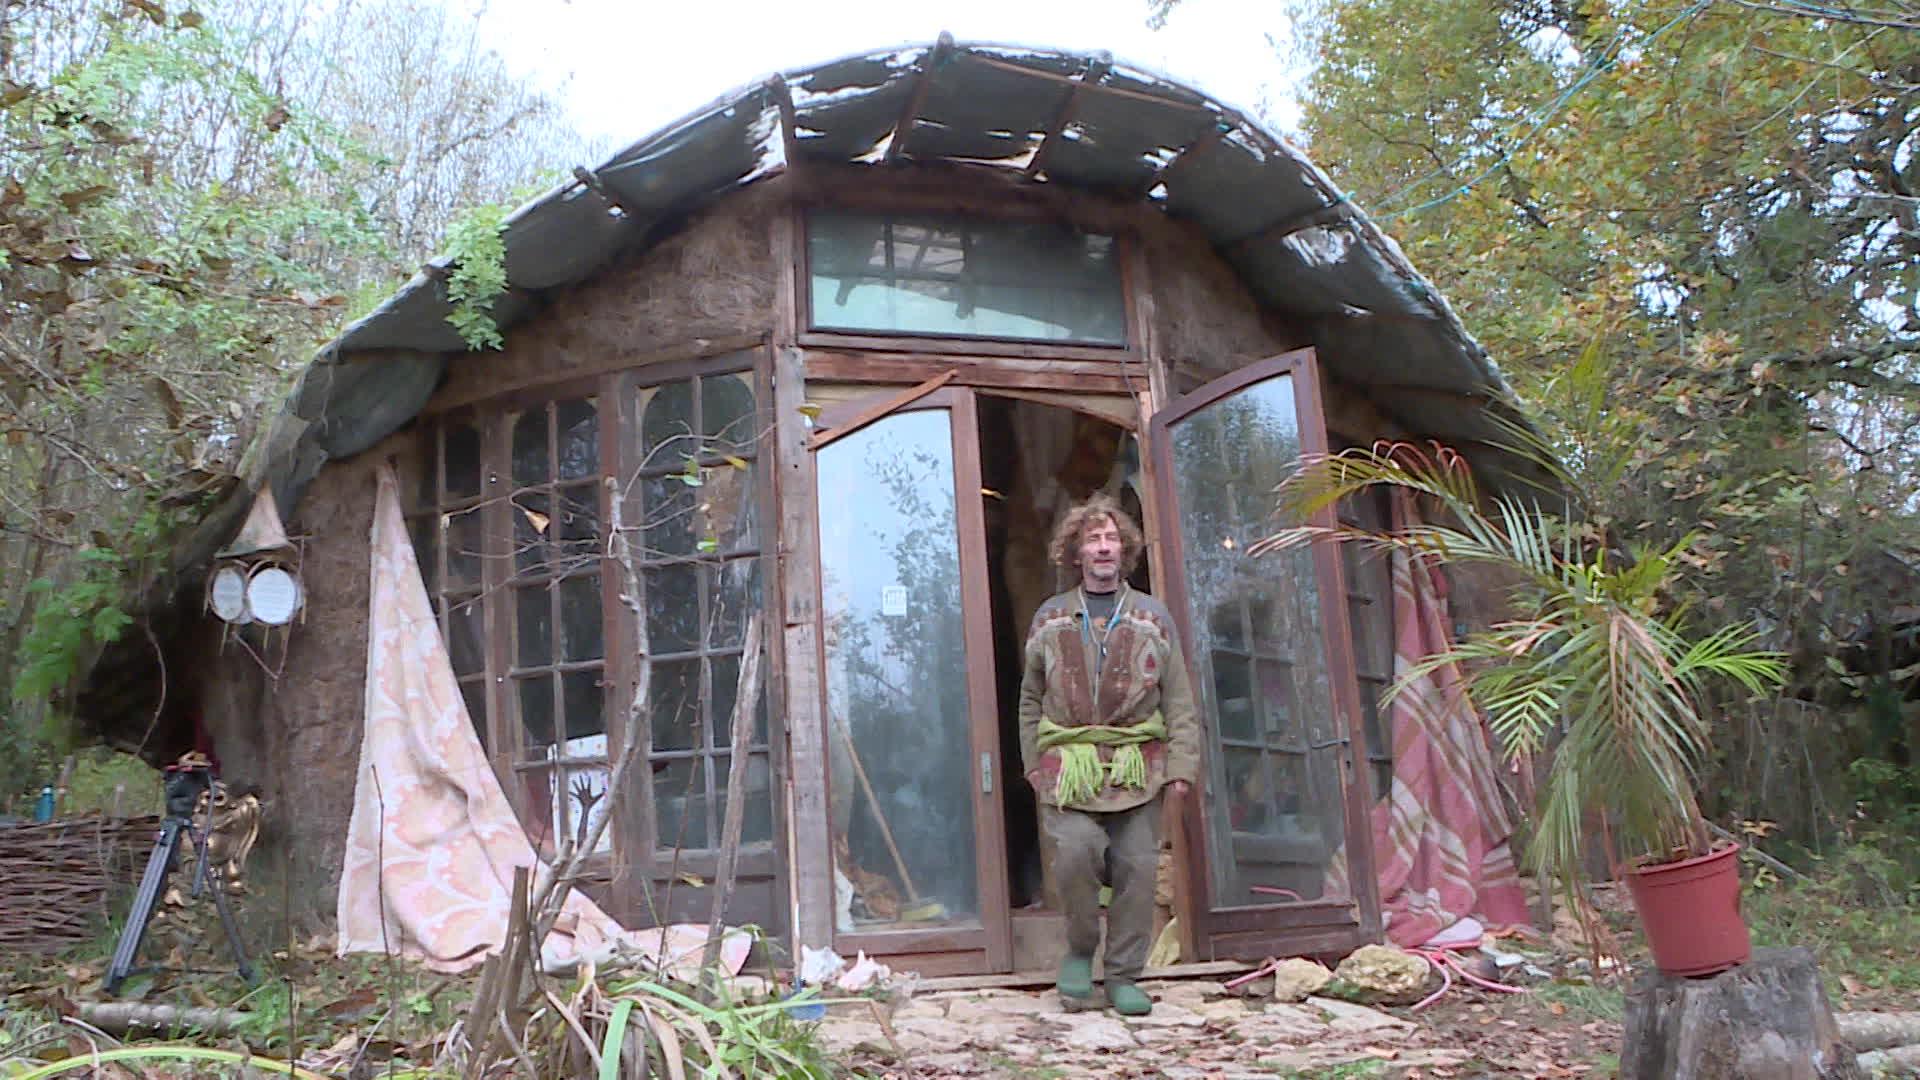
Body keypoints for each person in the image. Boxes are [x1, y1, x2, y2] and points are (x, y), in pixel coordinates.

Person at [1018, 493, 1200, 1017]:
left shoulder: (1152, 615)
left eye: (1111, 539)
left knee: (1137, 870)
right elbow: (1030, 696)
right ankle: (1079, 952)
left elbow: (1178, 696)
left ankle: (1123, 976)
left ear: (1125, 550)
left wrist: (1182, 767)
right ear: (1076, 552)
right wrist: (1033, 762)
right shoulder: (1050, 617)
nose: (1103, 547)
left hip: (1138, 765)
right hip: (1066, 768)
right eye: (1093, 539)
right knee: (1075, 856)